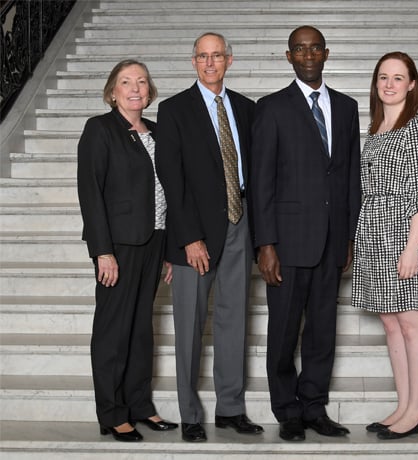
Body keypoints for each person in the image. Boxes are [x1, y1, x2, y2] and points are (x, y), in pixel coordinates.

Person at [250, 25, 360, 442]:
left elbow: (349, 176)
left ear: (326, 54)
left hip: (331, 240)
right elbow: (261, 182)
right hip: (288, 242)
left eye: (315, 48)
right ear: (289, 56)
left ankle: (314, 407)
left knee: (322, 331)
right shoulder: (273, 107)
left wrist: (348, 235)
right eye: (300, 49)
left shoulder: (347, 108)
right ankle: (287, 410)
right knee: (283, 330)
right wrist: (266, 243)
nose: (308, 55)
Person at [155, 32, 262, 443]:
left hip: (239, 226)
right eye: (203, 56)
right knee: (189, 325)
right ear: (193, 61)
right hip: (194, 236)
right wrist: (188, 237)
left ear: (229, 61)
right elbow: (171, 179)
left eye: (217, 56)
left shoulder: (246, 109)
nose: (210, 63)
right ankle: (189, 413)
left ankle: (230, 408)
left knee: (233, 321)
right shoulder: (174, 110)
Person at [77, 59, 177, 442]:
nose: (135, 88)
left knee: (140, 329)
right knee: (113, 330)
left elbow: (170, 188)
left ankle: (140, 406)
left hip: (155, 241)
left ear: (149, 91)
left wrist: (169, 248)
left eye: (141, 82)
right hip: (118, 245)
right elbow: (91, 192)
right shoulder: (100, 129)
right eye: (126, 82)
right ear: (112, 90)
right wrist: (102, 251)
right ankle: (112, 412)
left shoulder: (158, 131)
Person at [352, 51, 418, 441]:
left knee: (413, 324)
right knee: (391, 323)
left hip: (403, 232)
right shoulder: (374, 130)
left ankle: (416, 413)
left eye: (398, 78)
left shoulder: (415, 128)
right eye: (383, 77)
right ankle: (403, 406)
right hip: (373, 231)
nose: (389, 84)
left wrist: (412, 247)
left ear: (412, 85)